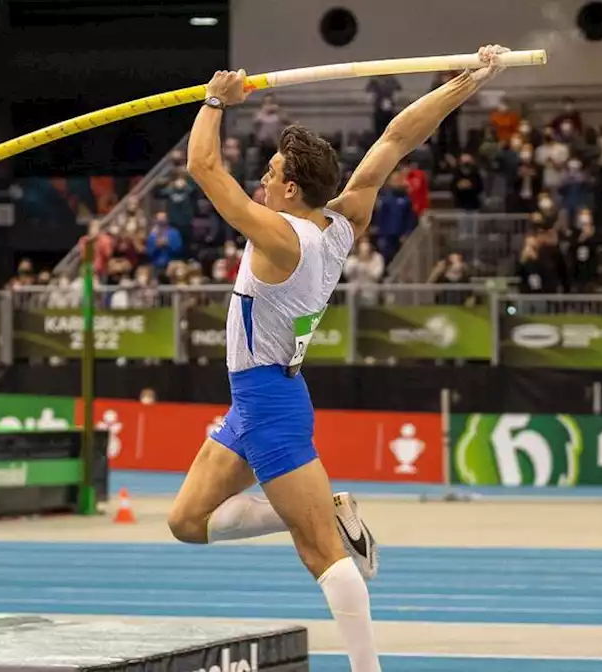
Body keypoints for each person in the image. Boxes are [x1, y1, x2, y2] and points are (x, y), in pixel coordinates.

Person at [169, 45, 511, 672]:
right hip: (255, 401)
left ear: (292, 188)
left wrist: (215, 99)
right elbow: (399, 136)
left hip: (271, 403)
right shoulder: (343, 220)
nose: (262, 181)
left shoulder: (278, 236)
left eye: (270, 173)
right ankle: (323, 504)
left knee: (320, 553)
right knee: (187, 521)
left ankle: (366, 667)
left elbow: (202, 163)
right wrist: (469, 79)